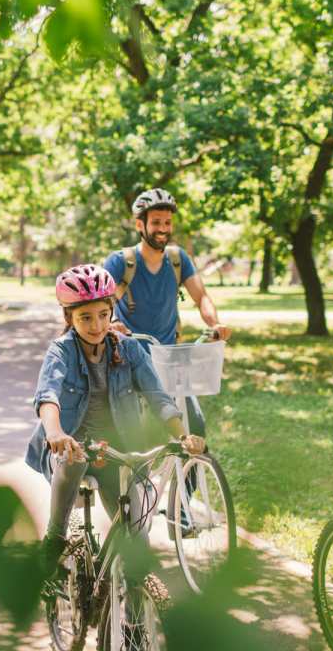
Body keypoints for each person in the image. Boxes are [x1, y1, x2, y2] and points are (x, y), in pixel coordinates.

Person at [27, 264, 205, 570]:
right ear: (69, 317)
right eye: (85, 317)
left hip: (115, 452)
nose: (96, 325)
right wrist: (55, 433)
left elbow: (158, 397)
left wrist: (181, 435)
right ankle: (54, 537)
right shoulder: (61, 351)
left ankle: (132, 609)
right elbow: (48, 396)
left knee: (137, 546)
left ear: (112, 312)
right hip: (70, 446)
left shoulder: (130, 349)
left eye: (103, 315)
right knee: (74, 458)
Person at [103, 188, 230, 437]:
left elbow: (201, 296)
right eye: (156, 222)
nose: (163, 228)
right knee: (132, 433)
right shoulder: (121, 262)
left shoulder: (177, 259)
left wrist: (216, 324)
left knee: (194, 427)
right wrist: (114, 321)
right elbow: (103, 302)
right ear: (140, 225)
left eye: (168, 222)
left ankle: (190, 475)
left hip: (170, 358)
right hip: (131, 358)